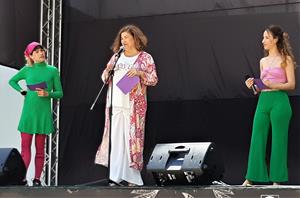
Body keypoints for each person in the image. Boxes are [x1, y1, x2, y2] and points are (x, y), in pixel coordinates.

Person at [94, 24, 158, 186]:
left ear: (135, 38)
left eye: (127, 38)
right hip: (116, 103)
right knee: (116, 140)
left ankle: (133, 178)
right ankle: (115, 177)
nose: (124, 41)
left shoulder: (145, 58)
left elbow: (153, 79)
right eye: (122, 38)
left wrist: (140, 73)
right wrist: (106, 74)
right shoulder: (116, 57)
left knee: (132, 141)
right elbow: (104, 76)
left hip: (133, 107)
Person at [243, 25, 296, 186]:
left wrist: (273, 85)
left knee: (279, 140)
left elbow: (292, 85)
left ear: (275, 39)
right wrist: (253, 86)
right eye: (263, 37)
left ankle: (277, 179)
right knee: (257, 137)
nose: (263, 41)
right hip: (263, 101)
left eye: (266, 37)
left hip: (280, 101)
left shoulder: (285, 59)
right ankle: (251, 177)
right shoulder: (263, 61)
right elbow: (261, 87)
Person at [9, 41, 63, 186]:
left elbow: (60, 93)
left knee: (40, 150)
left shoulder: (52, 70)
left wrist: (48, 93)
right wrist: (21, 90)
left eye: (42, 50)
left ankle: (37, 179)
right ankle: (22, 178)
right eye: (37, 51)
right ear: (30, 56)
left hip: (43, 115)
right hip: (28, 114)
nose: (41, 53)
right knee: (25, 149)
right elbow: (12, 81)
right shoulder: (27, 70)